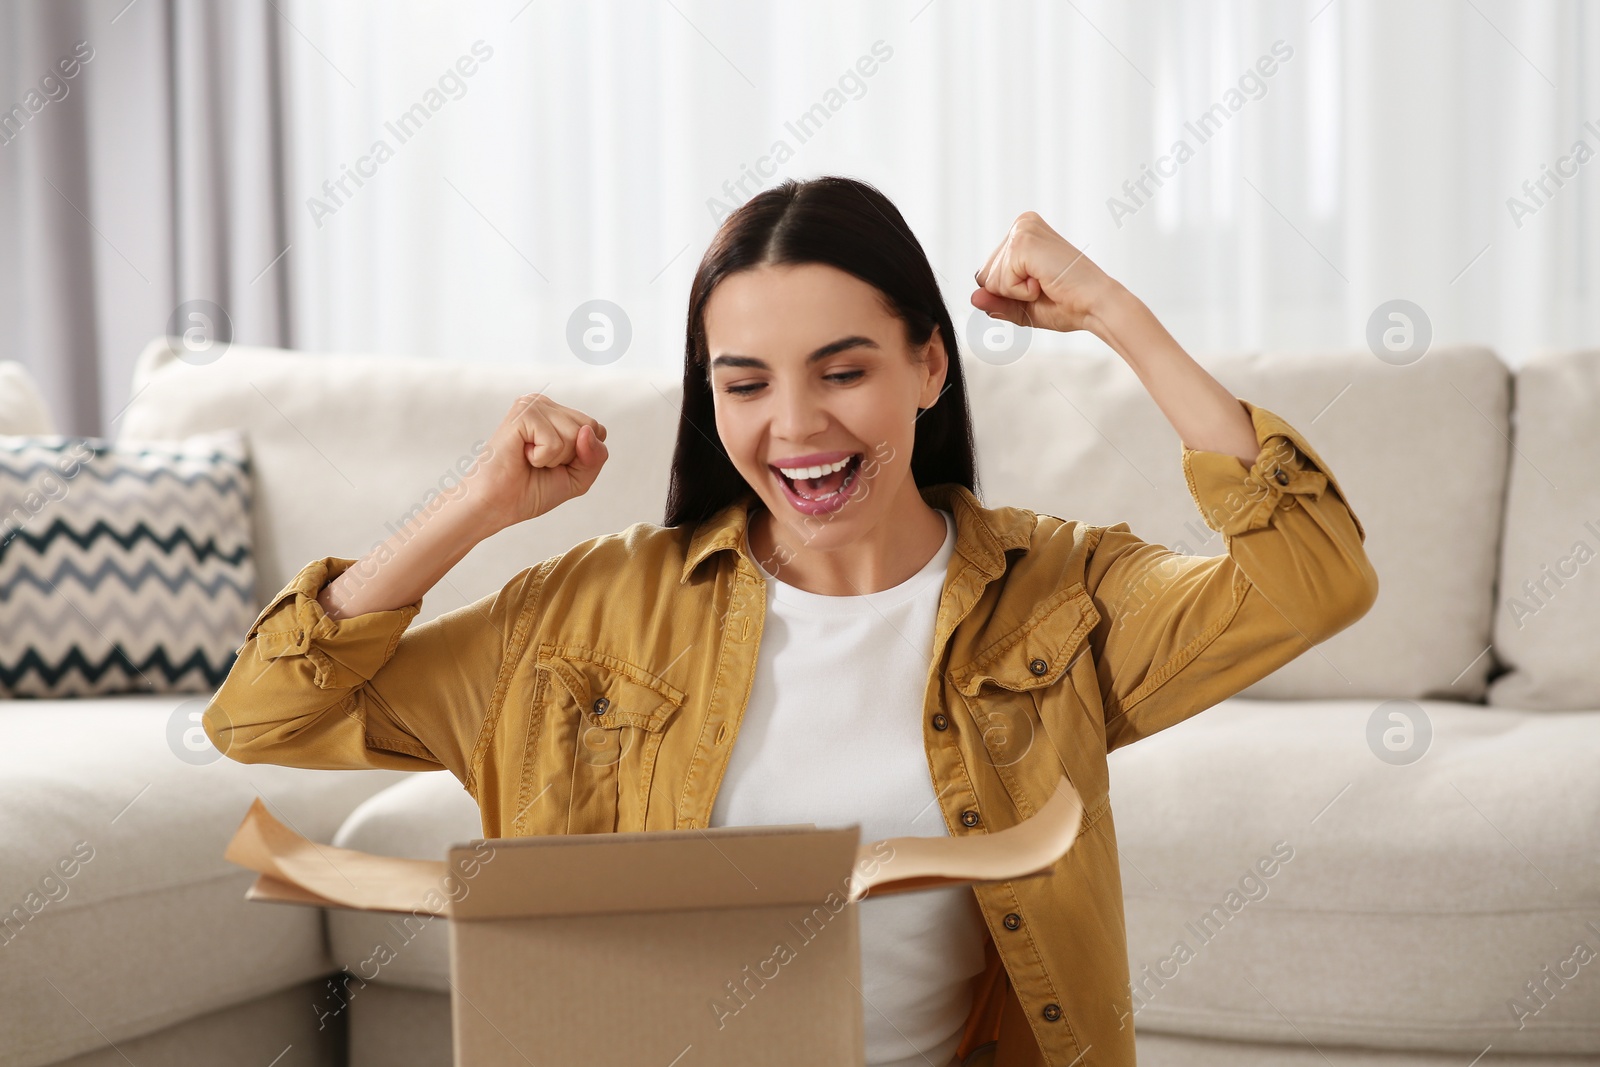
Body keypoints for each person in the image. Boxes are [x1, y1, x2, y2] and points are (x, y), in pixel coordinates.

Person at [204, 175, 1378, 1067]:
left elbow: (1313, 576)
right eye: (746, 382)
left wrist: (1116, 311)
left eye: (843, 369)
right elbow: (262, 716)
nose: (796, 425)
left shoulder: (1056, 594)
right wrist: (471, 507)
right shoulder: (587, 613)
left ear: (930, 365)